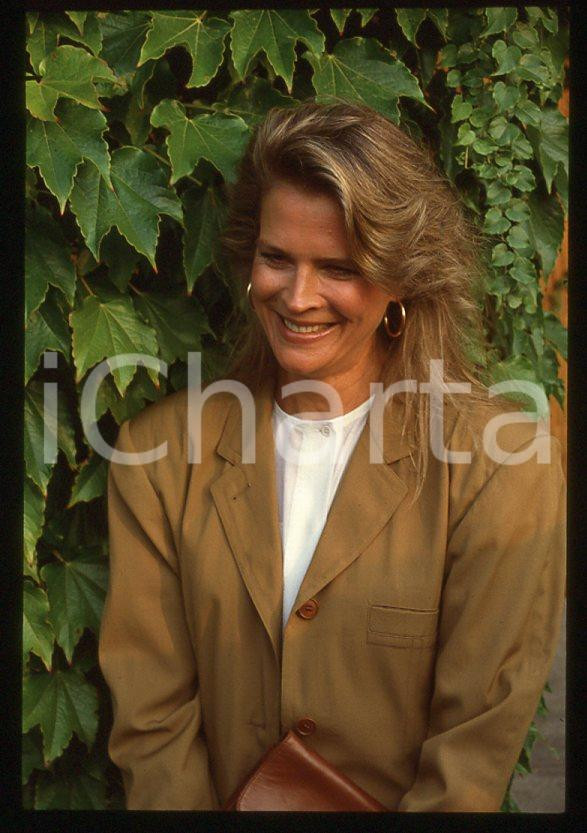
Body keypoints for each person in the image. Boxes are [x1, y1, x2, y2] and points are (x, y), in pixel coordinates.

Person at [98, 101, 565, 811]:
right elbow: (152, 724)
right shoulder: (158, 457)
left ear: (399, 277)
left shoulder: (503, 466)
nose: (299, 295)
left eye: (339, 267)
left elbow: (469, 754)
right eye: (276, 257)